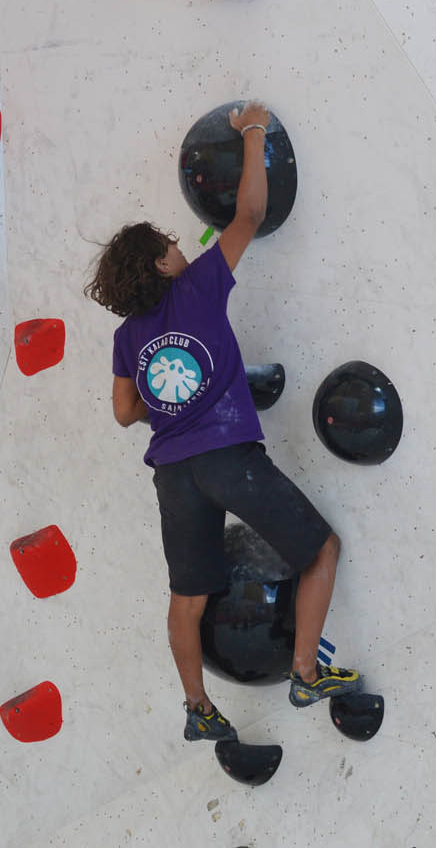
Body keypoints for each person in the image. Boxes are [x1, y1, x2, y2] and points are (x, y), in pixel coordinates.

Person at [84, 101, 362, 744]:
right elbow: (250, 215)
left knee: (188, 598)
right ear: (160, 265)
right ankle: (305, 672)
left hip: (173, 474)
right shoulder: (200, 286)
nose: (182, 246)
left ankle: (198, 707)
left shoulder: (128, 337)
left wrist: (168, 402)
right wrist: (254, 129)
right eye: (171, 245)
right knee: (321, 550)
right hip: (228, 458)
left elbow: (125, 412)